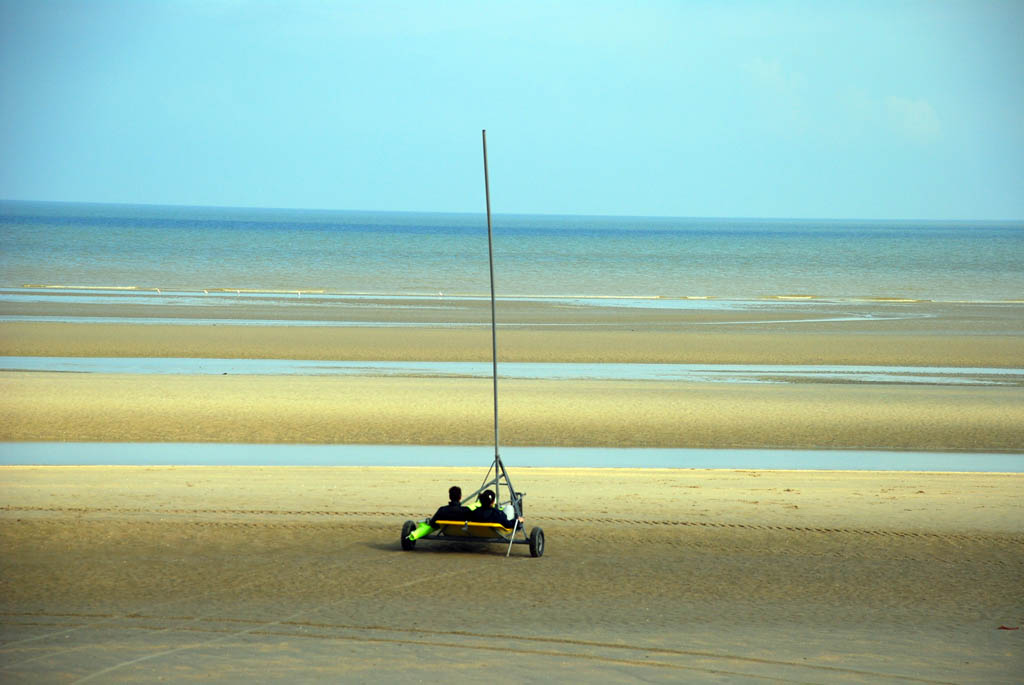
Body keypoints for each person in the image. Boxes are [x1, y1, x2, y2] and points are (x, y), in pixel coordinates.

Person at [407, 486, 471, 541]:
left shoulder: (442, 510)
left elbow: (432, 523)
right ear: (460, 497)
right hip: (463, 532)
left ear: (449, 497)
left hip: (447, 530)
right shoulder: (466, 510)